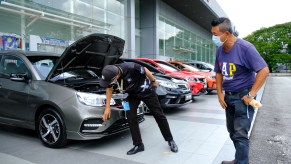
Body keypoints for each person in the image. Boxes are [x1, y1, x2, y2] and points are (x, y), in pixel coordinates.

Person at [211, 17, 269, 164]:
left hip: (243, 98)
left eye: (216, 34)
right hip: (228, 98)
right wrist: (219, 93)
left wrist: (251, 95)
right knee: (232, 132)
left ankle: (241, 162)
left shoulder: (246, 48)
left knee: (240, 135)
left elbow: (264, 70)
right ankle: (239, 159)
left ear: (228, 33)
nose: (214, 37)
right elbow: (218, 72)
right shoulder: (220, 50)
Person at [100, 62, 178, 155]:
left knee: (159, 115)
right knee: (131, 117)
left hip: (147, 91)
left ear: (116, 76)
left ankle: (170, 140)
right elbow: (109, 89)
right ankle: (138, 145)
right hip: (132, 95)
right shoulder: (110, 75)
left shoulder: (131, 67)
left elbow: (145, 70)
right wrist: (107, 107)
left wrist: (153, 82)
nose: (109, 83)